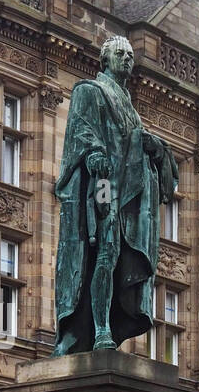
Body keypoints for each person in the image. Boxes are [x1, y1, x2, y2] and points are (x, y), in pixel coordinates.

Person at [52, 35, 177, 355]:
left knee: (119, 255)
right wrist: (93, 153)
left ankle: (105, 324)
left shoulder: (130, 107)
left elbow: (130, 142)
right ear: (105, 60)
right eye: (120, 54)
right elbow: (81, 129)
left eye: (130, 55)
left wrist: (151, 145)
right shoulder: (89, 91)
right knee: (106, 252)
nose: (127, 59)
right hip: (103, 185)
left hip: (128, 193)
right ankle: (101, 329)